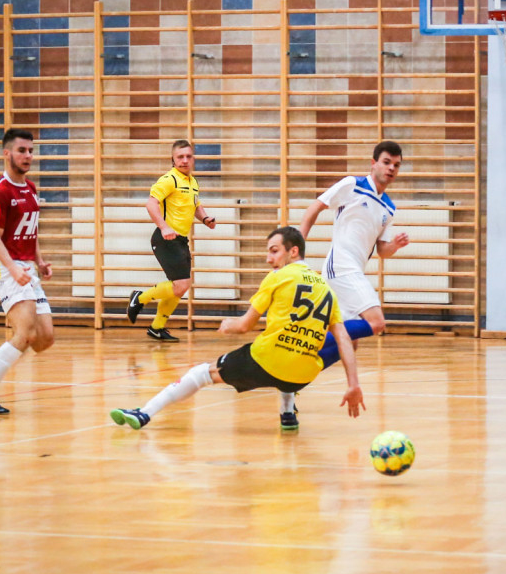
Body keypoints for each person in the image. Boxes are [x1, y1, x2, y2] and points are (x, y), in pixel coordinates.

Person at [110, 226, 365, 431]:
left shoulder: (279, 277)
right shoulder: (326, 288)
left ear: (293, 252)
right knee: (290, 360)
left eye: (274, 251)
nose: (269, 258)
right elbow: (343, 339)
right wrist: (353, 384)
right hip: (304, 374)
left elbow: (245, 326)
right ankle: (288, 414)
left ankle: (144, 413)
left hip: (268, 360)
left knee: (200, 373)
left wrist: (228, 325)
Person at [278, 141, 410, 414]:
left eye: (396, 165)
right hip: (340, 265)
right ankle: (294, 369)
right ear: (373, 163)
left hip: (353, 270)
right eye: (386, 162)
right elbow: (315, 207)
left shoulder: (389, 208)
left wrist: (394, 246)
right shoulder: (352, 185)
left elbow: (381, 250)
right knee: (375, 322)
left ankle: (292, 380)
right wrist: (298, 247)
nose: (391, 168)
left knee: (348, 342)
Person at [0, 128, 54, 415]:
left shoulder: (30, 188)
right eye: (22, 150)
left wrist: (39, 261)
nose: (28, 155)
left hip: (27, 268)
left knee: (44, 340)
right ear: (7, 153)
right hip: (7, 268)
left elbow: (32, 230)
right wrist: (13, 268)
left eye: (30, 150)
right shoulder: (0, 191)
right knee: (25, 331)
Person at [126, 139, 216, 342]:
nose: (185, 160)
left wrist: (205, 218)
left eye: (188, 156)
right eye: (180, 157)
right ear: (173, 160)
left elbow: (196, 205)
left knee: (178, 288)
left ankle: (157, 328)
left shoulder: (192, 182)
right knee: (182, 285)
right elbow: (151, 204)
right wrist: (164, 227)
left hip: (180, 240)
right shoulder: (169, 180)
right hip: (165, 239)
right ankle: (138, 298)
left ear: (193, 158)